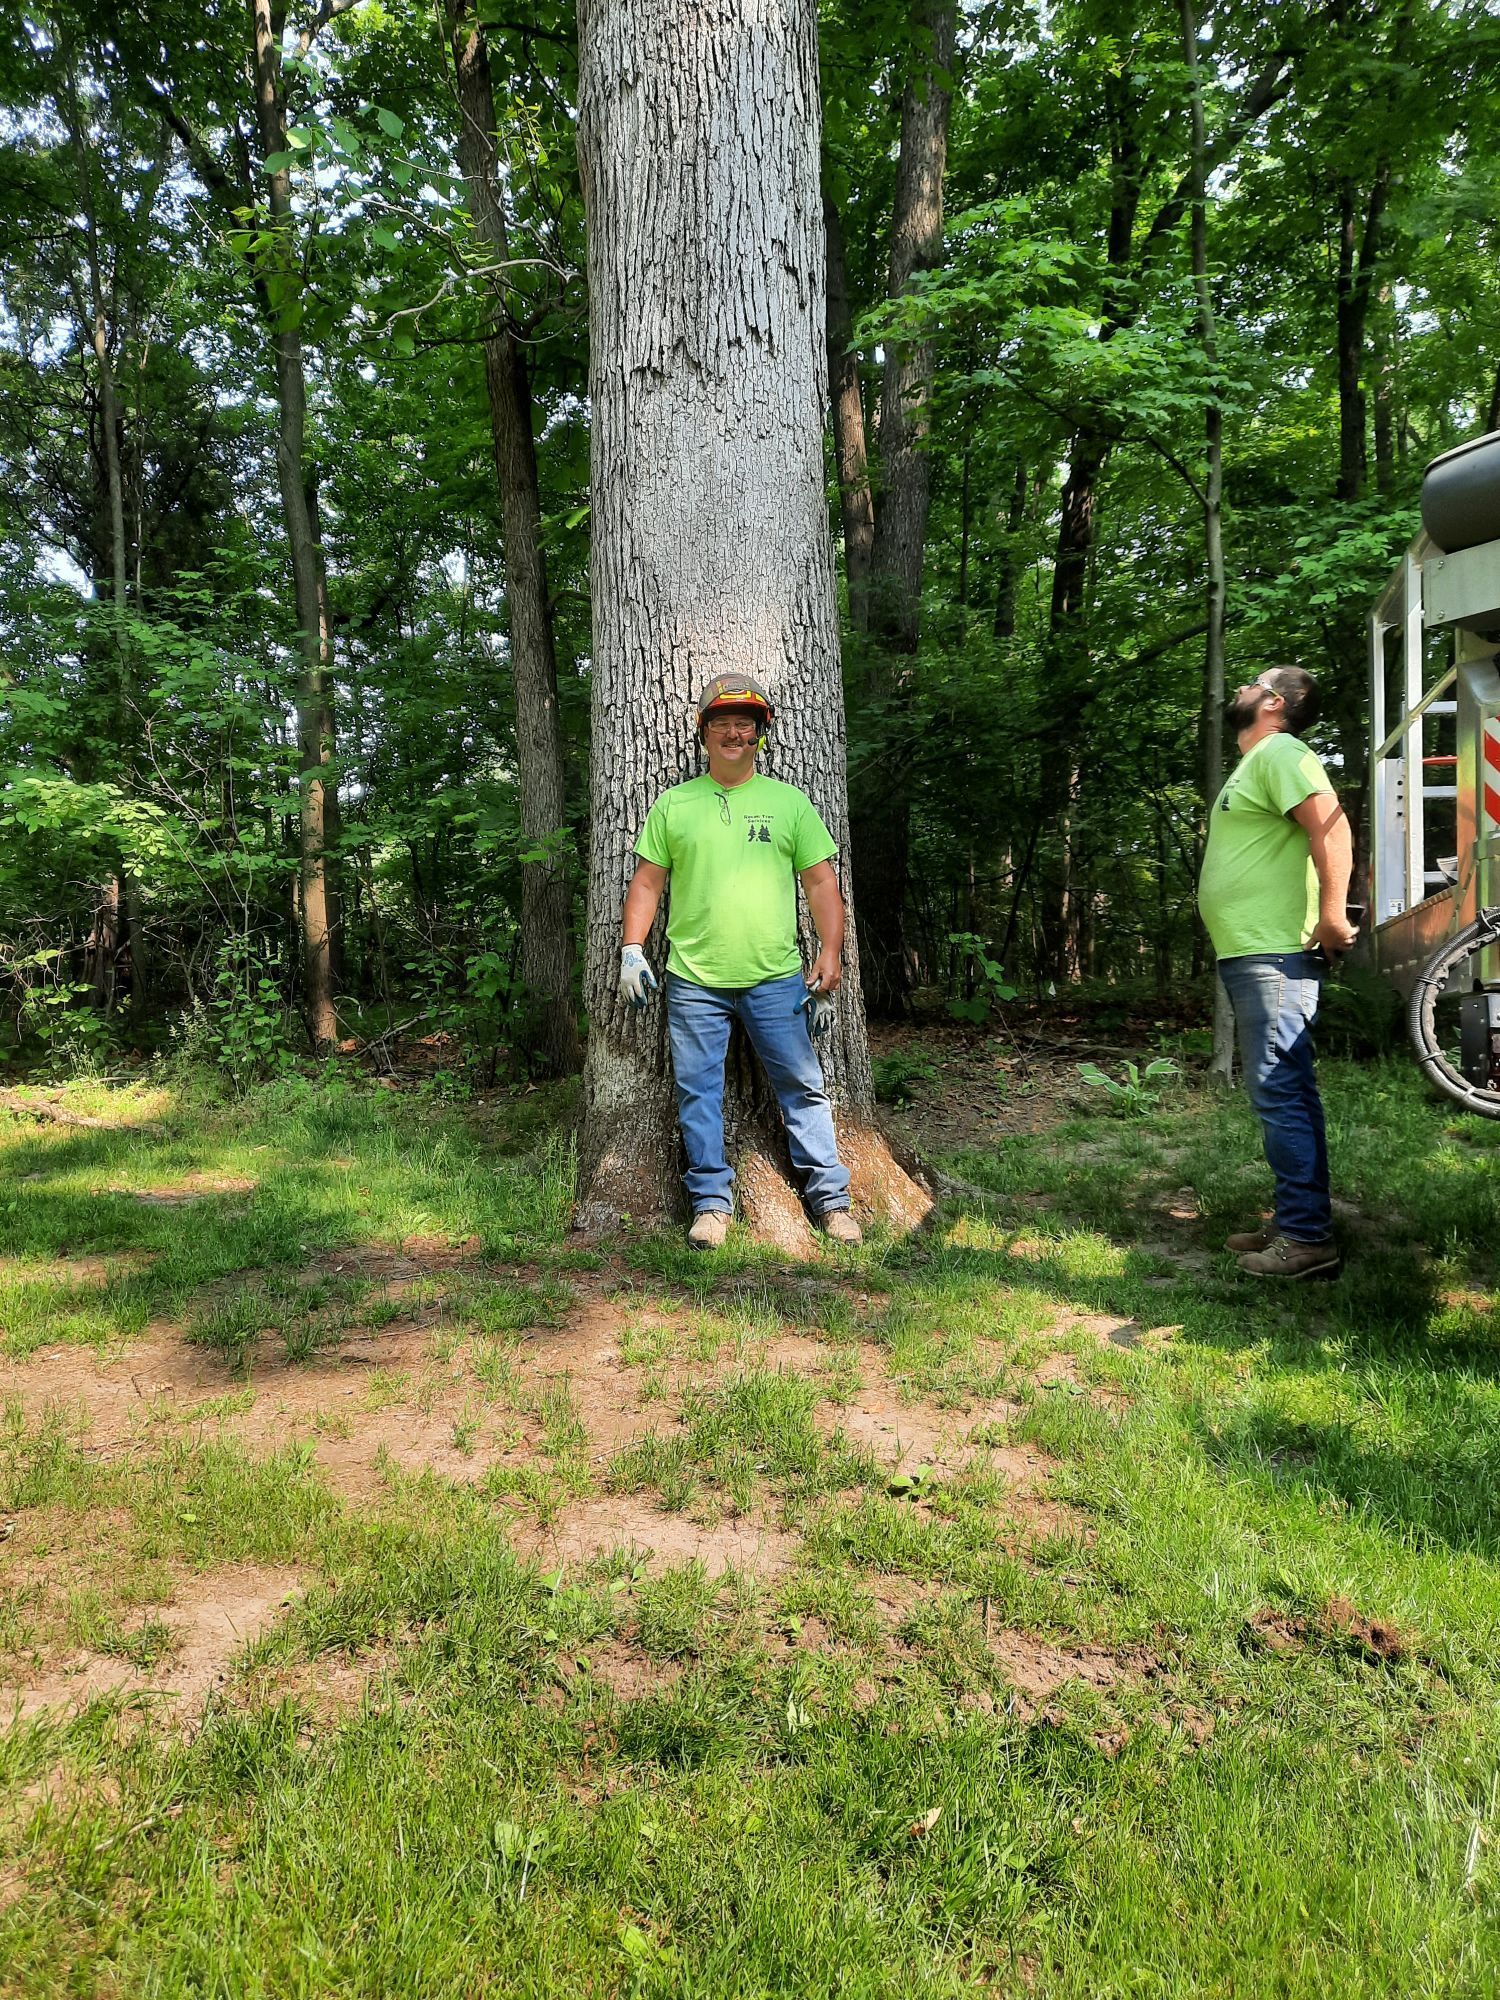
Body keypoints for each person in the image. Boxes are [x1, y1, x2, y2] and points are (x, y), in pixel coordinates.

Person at [617, 673, 862, 1252]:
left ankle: (832, 1202)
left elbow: (822, 883)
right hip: (693, 982)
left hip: (777, 980)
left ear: (760, 735)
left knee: (802, 1087)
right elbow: (647, 884)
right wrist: (632, 948)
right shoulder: (675, 805)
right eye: (722, 722)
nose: (734, 732)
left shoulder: (788, 804)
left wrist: (831, 954)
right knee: (697, 1092)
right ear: (704, 733)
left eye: (745, 724)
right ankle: (710, 1205)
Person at [1198, 666, 1358, 1280]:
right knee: (1289, 1088)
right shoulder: (1259, 762)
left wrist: (1334, 914)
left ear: (1271, 702)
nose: (1238, 690)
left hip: (1274, 952)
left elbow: (1331, 826)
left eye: (1250, 683)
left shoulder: (1282, 751)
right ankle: (1299, 1219)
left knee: (1278, 1089)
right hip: (1254, 949)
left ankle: (1305, 1240)